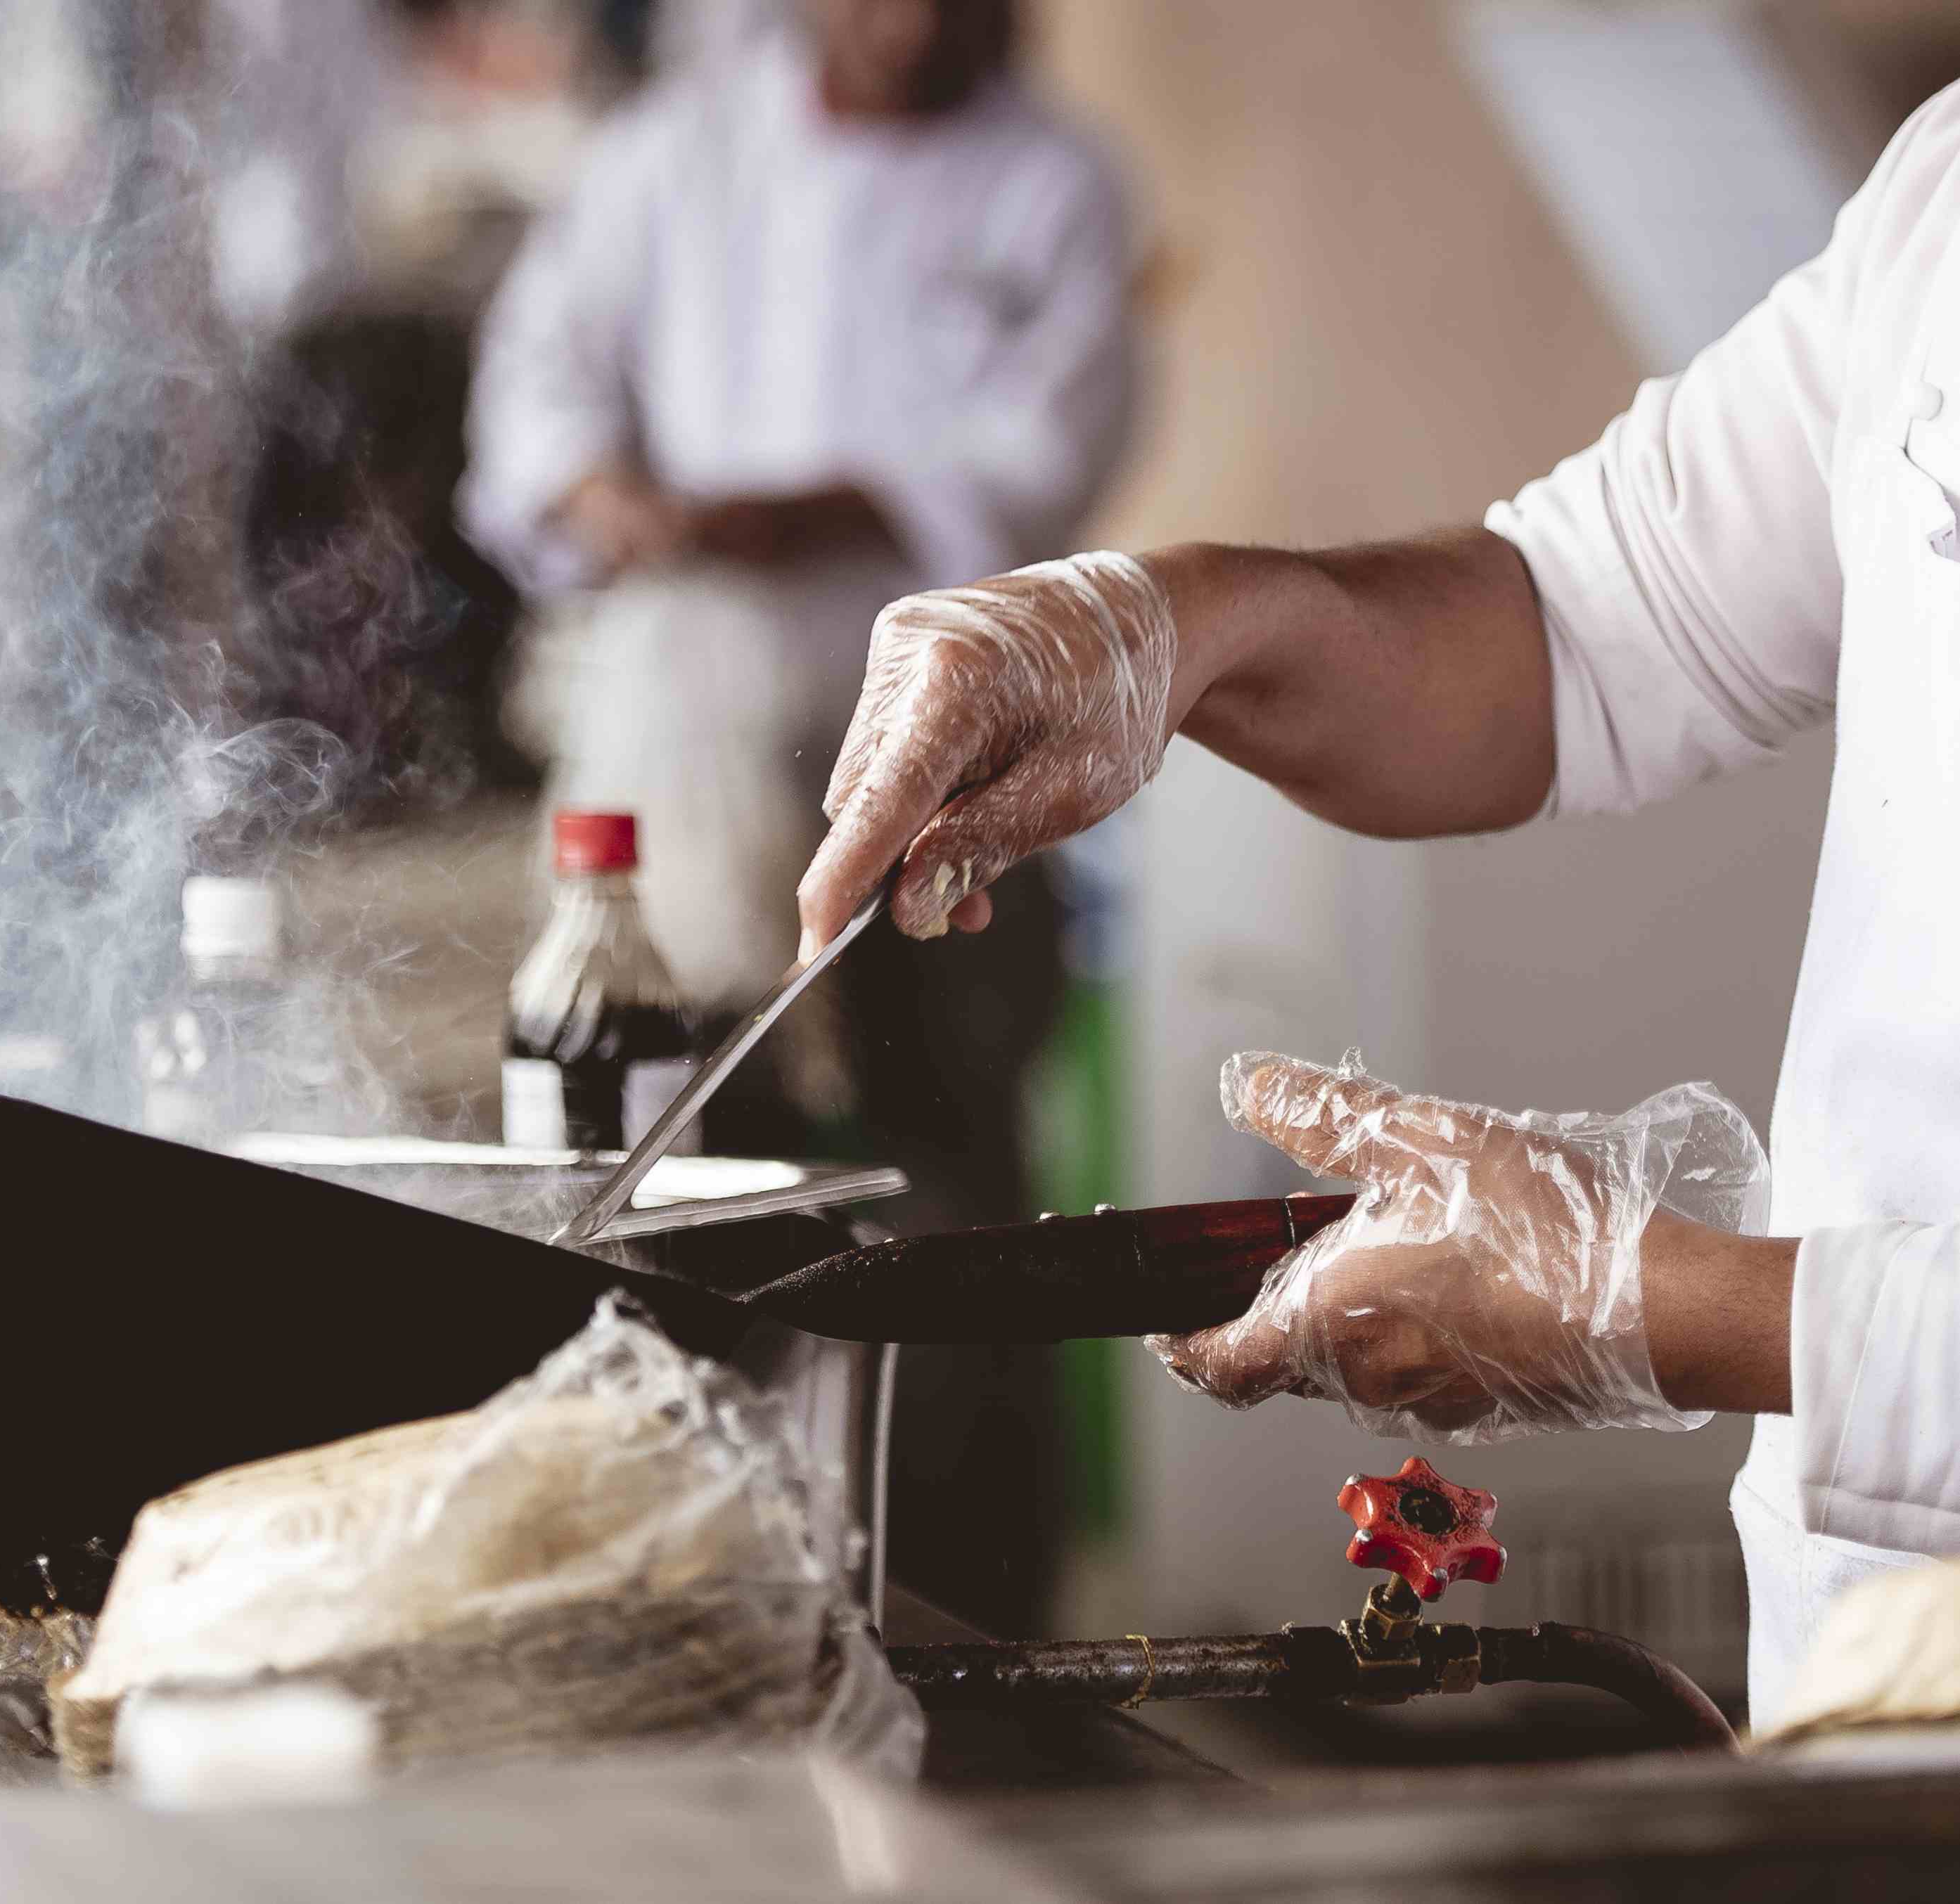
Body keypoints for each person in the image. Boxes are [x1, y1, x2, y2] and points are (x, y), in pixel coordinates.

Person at [794, 82, 1960, 1723]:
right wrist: (1170, 622)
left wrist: (1651, 1304)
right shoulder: (1946, 188)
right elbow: (1579, 624)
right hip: (1863, 1634)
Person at [464, 0, 1136, 1634]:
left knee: (951, 1187)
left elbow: (1047, 449)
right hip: (696, 759)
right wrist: (608, 497)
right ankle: (706, 1609)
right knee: (689, 1180)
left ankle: (982, 1630)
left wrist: (812, 509)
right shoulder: (676, 151)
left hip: (967, 754)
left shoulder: (1052, 183)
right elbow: (533, 382)